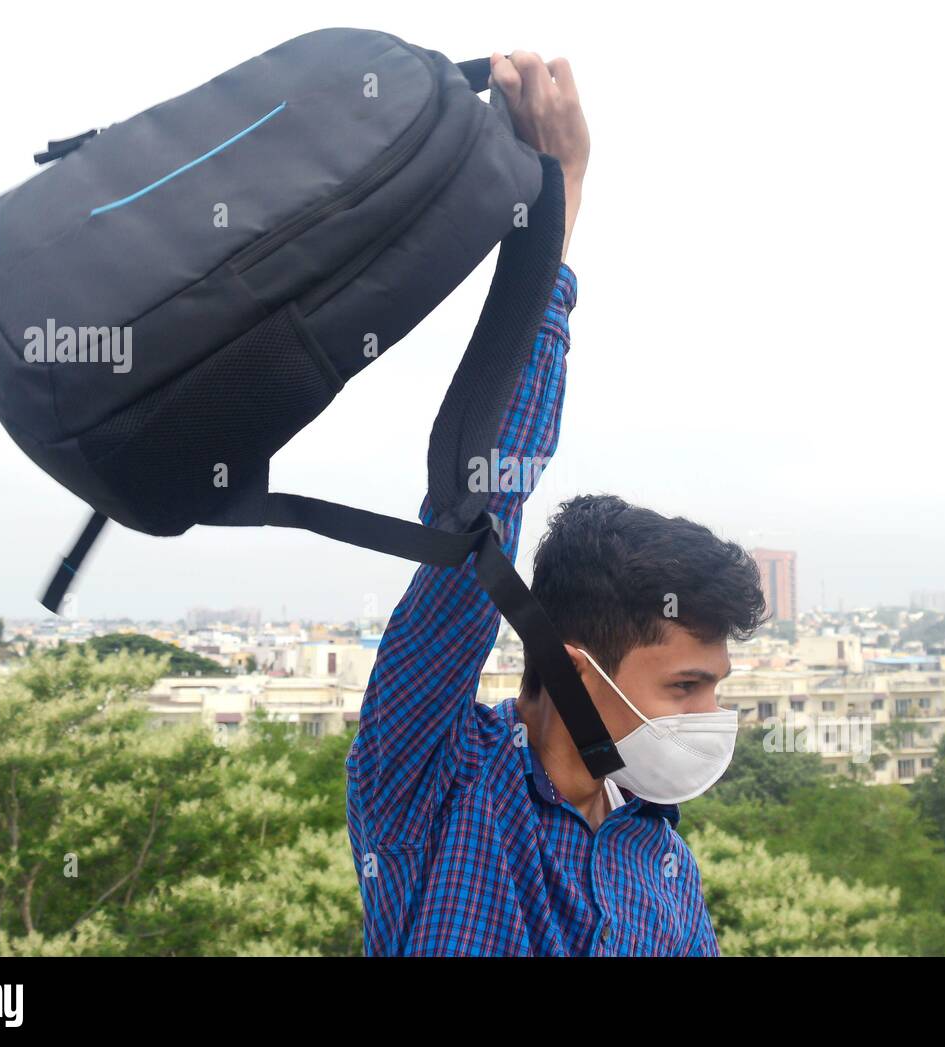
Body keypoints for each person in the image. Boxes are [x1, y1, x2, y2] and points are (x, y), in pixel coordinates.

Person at [346, 50, 769, 956]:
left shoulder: (661, 865)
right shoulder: (439, 786)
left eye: (714, 689)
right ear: (579, 672)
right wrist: (557, 195)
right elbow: (480, 507)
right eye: (687, 687)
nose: (709, 722)